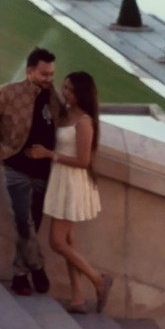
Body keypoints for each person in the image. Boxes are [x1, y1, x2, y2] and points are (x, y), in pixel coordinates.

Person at [0, 44, 63, 295]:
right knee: (23, 223)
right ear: (30, 71)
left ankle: (20, 277)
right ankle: (37, 266)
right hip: (16, 168)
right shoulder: (9, 93)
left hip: (44, 172)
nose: (48, 79)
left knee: (31, 227)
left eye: (51, 74)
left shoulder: (54, 99)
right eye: (44, 74)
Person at [44, 68, 109, 312]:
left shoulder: (84, 122)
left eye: (71, 89)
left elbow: (83, 161)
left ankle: (98, 279)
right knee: (69, 240)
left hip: (72, 182)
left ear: (82, 93)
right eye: (65, 87)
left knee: (57, 241)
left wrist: (51, 155)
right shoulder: (65, 114)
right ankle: (78, 297)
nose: (66, 92)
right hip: (61, 179)